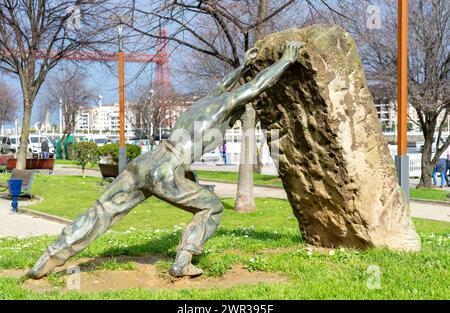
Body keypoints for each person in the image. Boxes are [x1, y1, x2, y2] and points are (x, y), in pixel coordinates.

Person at [27, 41, 304, 279]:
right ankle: (183, 260)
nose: (230, 127)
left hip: (145, 162)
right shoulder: (225, 106)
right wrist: (285, 60)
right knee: (213, 208)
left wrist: (243, 66)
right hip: (167, 169)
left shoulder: (203, 103)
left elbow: (221, 85)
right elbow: (256, 87)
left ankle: (48, 259)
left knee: (102, 210)